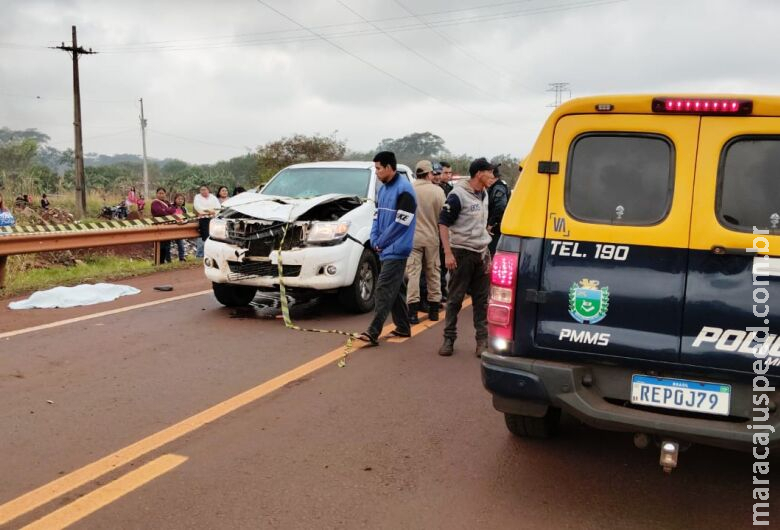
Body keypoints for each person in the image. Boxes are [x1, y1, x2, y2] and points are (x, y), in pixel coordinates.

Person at [357, 151, 417, 346]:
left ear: (390, 167)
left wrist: (381, 242)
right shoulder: (382, 190)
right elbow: (376, 217)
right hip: (384, 247)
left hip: (397, 249)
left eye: (379, 168)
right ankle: (403, 327)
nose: (376, 172)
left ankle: (373, 332)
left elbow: (401, 224)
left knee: (383, 288)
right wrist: (374, 238)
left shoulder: (405, 190)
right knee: (397, 287)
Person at [437, 157, 494, 357]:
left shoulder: (484, 194)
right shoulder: (457, 195)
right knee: (455, 299)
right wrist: (448, 253)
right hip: (461, 253)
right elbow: (443, 223)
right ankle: (448, 339)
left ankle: (482, 341)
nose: (493, 176)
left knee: (481, 300)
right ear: (479, 173)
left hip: (481, 252)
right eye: (490, 172)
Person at [406, 160, 445, 324]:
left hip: (413, 238)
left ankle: (413, 314)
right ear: (429, 174)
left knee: (413, 274)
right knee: (433, 272)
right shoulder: (437, 191)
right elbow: (444, 216)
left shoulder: (409, 189)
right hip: (431, 238)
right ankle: (434, 310)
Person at [487, 165, 510, 256]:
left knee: (493, 253)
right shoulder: (495, 187)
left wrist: (491, 224)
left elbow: (500, 206)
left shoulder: (498, 187)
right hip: (496, 227)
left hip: (496, 228)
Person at [151, 187, 178, 263]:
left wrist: (166, 210)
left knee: (167, 244)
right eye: (159, 193)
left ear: (165, 194)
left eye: (163, 193)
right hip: (158, 227)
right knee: (160, 245)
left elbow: (173, 209)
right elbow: (159, 212)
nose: (161, 195)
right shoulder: (155, 203)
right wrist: (168, 211)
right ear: (156, 194)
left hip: (167, 226)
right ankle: (159, 261)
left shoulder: (167, 202)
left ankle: (167, 260)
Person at [192, 184, 220, 259]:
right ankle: (202, 255)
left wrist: (212, 212)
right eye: (201, 190)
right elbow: (198, 207)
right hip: (203, 219)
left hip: (213, 218)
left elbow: (217, 207)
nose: (203, 191)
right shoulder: (197, 197)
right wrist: (208, 211)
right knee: (205, 236)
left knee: (214, 236)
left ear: (208, 190)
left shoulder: (213, 197)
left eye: (205, 189)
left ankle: (213, 255)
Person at [172, 193, 189, 262]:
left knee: (181, 244)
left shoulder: (184, 209)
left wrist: (183, 222)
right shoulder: (171, 208)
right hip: (171, 229)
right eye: (179, 199)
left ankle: (181, 258)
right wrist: (176, 222)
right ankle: (168, 260)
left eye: (182, 199)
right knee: (168, 245)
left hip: (179, 229)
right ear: (175, 200)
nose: (180, 200)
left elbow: (187, 219)